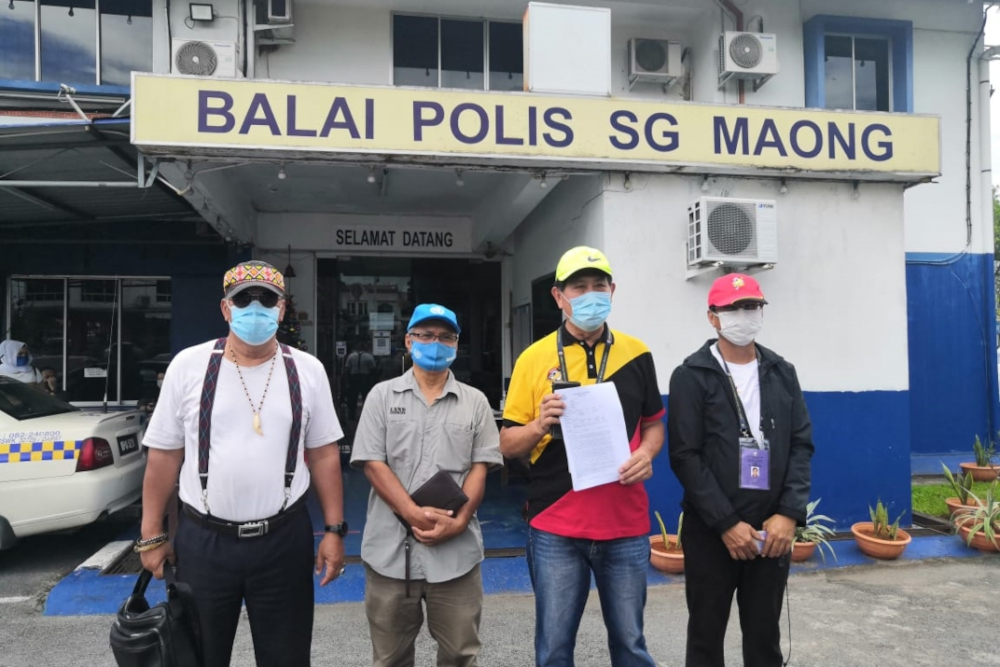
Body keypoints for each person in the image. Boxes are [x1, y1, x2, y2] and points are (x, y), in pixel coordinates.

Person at [138, 261, 348, 667]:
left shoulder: (308, 371)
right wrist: (151, 535)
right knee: (198, 656)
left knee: (287, 658)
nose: (255, 308)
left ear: (281, 309)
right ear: (225, 308)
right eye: (243, 299)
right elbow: (164, 455)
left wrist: (334, 531)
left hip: (283, 540)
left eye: (266, 299)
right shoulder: (189, 366)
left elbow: (324, 454)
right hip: (204, 541)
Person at [500, 247, 665, 667]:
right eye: (579, 287)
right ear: (559, 296)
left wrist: (647, 452)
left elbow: (654, 424)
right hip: (555, 525)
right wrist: (539, 425)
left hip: (624, 524)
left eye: (599, 286)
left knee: (631, 645)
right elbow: (507, 444)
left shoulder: (637, 354)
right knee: (554, 649)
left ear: (613, 290)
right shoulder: (533, 358)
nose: (591, 294)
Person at [667, 273, 814, 667]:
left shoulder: (782, 372)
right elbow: (685, 456)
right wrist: (726, 523)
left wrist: (788, 514)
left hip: (771, 532)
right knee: (705, 638)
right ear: (713, 317)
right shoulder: (691, 376)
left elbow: (801, 445)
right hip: (711, 531)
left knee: (765, 640)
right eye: (733, 308)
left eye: (751, 306)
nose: (744, 315)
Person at [351, 303, 502, 667]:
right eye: (426, 335)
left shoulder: (475, 402)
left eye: (446, 337)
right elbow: (372, 464)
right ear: (408, 341)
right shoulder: (381, 396)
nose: (436, 343)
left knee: (460, 655)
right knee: (390, 658)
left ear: (456, 345)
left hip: (455, 556)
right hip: (391, 554)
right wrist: (411, 513)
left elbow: (480, 468)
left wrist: (460, 522)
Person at [345, 343, 377, 421]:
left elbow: (347, 368)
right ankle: (367, 414)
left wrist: (348, 380)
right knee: (365, 397)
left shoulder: (351, 356)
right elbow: (373, 369)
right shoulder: (369, 357)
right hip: (364, 378)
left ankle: (351, 414)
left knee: (353, 397)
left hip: (354, 378)